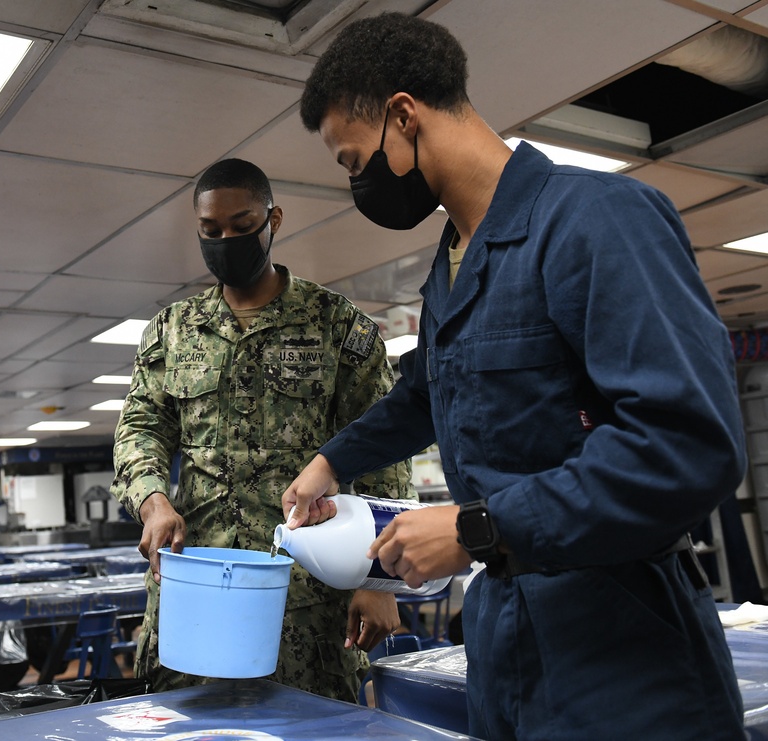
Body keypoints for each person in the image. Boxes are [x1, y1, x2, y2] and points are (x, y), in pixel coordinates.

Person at [283, 12, 748, 740]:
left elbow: (688, 445)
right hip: (506, 642)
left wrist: (477, 527)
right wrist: (330, 461)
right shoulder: (454, 263)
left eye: (353, 160)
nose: (358, 182)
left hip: (624, 654)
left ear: (403, 117)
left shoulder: (597, 220)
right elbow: (430, 391)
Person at [112, 157, 415, 703]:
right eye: (210, 231)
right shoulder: (172, 331)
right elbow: (140, 427)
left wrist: (378, 578)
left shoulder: (336, 326)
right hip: (195, 592)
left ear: (273, 220)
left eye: (241, 225)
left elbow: (383, 448)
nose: (225, 240)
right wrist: (153, 502)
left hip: (305, 605)